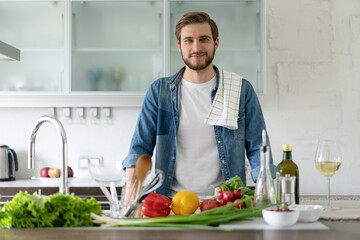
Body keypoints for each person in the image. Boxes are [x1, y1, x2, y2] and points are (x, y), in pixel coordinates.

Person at [122, 12, 276, 200]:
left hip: (225, 205)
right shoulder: (159, 92)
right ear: (179, 46)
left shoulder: (241, 90)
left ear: (215, 43)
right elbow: (139, 150)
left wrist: (268, 196)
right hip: (171, 206)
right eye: (188, 40)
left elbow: (259, 150)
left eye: (204, 39)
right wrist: (128, 200)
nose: (196, 47)